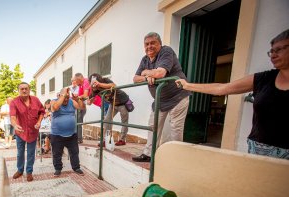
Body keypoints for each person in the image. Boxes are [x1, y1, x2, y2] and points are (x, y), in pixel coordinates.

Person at [176, 29, 289, 160]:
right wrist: (187, 85)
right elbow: (222, 88)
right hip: (260, 148)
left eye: (279, 49)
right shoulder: (263, 79)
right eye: (272, 51)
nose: (273, 55)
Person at [132, 32, 191, 162]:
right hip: (160, 99)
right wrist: (147, 77)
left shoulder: (166, 51)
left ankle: (177, 157)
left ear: (160, 43)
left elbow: (160, 73)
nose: (149, 46)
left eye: (153, 43)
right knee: (153, 125)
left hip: (178, 96)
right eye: (147, 44)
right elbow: (135, 78)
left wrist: (146, 72)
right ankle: (148, 154)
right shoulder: (145, 59)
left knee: (176, 128)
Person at [10, 82, 45, 181]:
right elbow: (12, 116)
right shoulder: (14, 102)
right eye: (22, 89)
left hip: (33, 132)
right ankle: (20, 170)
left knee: (31, 153)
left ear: (29, 90)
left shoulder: (36, 100)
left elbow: (41, 112)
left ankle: (29, 172)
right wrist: (15, 125)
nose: (24, 90)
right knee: (20, 153)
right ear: (19, 90)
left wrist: (39, 122)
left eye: (26, 88)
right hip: (20, 132)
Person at [50, 87, 86, 177]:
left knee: (74, 152)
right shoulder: (54, 101)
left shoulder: (71, 101)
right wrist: (63, 95)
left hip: (71, 134)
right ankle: (58, 169)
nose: (66, 99)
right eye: (64, 97)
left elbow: (82, 107)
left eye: (67, 97)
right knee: (57, 153)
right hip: (57, 135)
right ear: (60, 95)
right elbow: (55, 107)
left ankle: (76, 167)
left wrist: (77, 99)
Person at [89, 73, 131, 146]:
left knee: (124, 121)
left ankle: (122, 140)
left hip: (122, 102)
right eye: (91, 82)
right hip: (113, 104)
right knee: (107, 120)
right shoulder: (95, 90)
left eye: (94, 82)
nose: (93, 84)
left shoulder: (105, 80)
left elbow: (114, 85)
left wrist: (99, 84)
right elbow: (88, 102)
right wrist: (82, 99)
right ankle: (107, 140)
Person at [74, 73, 91, 143]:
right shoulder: (80, 86)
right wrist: (77, 96)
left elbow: (85, 95)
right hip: (80, 106)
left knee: (78, 122)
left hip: (82, 107)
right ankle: (78, 138)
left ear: (79, 79)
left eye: (76, 81)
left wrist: (78, 97)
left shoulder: (86, 82)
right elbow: (81, 96)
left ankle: (79, 139)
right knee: (77, 122)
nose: (75, 82)